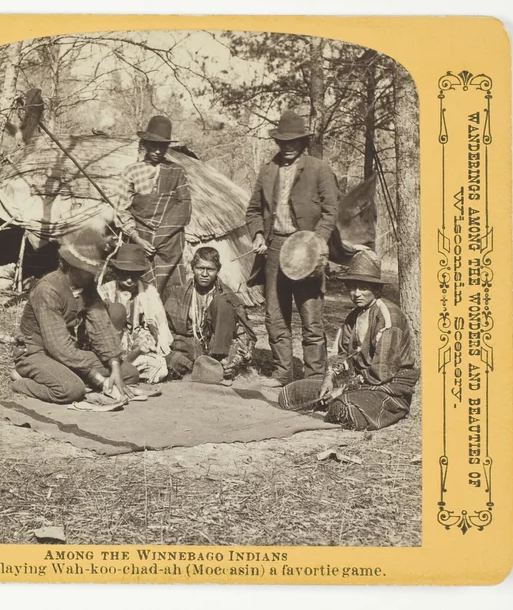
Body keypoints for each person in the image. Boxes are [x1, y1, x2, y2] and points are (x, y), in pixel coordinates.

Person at [246, 110, 339, 387]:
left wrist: (316, 241)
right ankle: (282, 372)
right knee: (274, 314)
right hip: (274, 247)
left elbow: (331, 211)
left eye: (294, 142)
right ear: (278, 142)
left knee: (311, 316)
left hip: (307, 249)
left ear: (302, 143)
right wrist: (259, 234)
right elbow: (252, 211)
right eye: (283, 142)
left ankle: (313, 377)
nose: (288, 147)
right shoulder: (267, 170)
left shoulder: (318, 169)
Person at [277, 251, 419, 430]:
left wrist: (344, 389)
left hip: (386, 388)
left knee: (343, 410)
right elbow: (342, 355)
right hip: (356, 383)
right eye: (352, 287)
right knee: (290, 394)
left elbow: (383, 372)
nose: (356, 293)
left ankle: (352, 404)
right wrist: (329, 379)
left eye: (363, 288)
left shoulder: (388, 317)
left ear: (376, 289)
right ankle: (336, 399)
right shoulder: (353, 317)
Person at [10, 230, 141, 406]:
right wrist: (98, 379)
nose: (92, 276)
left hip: (66, 355)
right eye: (87, 271)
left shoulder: (87, 287)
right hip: (37, 353)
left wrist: (114, 366)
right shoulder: (48, 289)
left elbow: (101, 327)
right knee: (70, 390)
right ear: (70, 266)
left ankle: (67, 375)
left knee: (129, 373)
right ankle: (21, 380)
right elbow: (59, 348)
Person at [118, 115, 192, 297]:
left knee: (172, 292)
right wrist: (137, 239)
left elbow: (184, 207)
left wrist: (161, 237)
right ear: (145, 143)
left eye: (163, 146)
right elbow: (121, 210)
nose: (158, 151)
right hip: (140, 240)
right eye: (153, 145)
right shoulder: (132, 171)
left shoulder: (176, 171)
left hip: (170, 244)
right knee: (139, 289)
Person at [163, 246, 255, 384]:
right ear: (192, 268)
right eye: (200, 268)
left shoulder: (228, 298)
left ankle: (213, 366)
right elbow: (166, 330)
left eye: (210, 269)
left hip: (219, 352)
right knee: (170, 363)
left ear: (218, 270)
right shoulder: (178, 294)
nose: (204, 274)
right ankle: (203, 369)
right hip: (187, 348)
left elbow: (244, 335)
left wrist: (235, 360)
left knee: (222, 303)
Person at [99, 242, 173, 384]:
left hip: (139, 341)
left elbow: (160, 325)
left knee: (160, 368)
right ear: (117, 272)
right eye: (124, 274)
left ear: (140, 274)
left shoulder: (149, 292)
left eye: (134, 276)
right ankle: (121, 368)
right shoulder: (104, 291)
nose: (129, 281)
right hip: (111, 343)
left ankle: (122, 370)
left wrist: (149, 344)